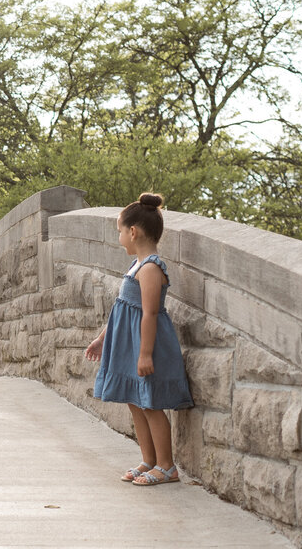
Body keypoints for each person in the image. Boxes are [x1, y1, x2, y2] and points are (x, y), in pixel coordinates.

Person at [84, 192, 193, 486]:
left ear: (133, 231)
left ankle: (167, 466)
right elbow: (121, 308)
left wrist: (145, 354)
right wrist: (101, 339)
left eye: (120, 230)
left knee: (150, 403)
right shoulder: (135, 265)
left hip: (145, 345)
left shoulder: (151, 268)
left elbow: (150, 313)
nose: (119, 236)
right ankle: (149, 459)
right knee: (135, 401)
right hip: (127, 343)